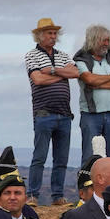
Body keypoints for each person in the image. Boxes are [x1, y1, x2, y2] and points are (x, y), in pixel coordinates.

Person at [24, 17, 79, 206]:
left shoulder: (63, 55)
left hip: (64, 114)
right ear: (40, 35)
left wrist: (52, 70)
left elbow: (75, 73)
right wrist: (62, 75)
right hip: (44, 113)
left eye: (55, 33)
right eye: (50, 33)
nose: (53, 36)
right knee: (39, 157)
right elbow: (38, 79)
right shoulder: (31, 55)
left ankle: (58, 196)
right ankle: (32, 195)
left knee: (61, 159)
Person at [74, 24, 110, 161]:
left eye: (108, 40)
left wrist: (97, 84)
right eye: (103, 40)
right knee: (90, 157)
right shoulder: (81, 61)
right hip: (90, 114)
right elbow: (89, 79)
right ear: (93, 40)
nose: (107, 44)